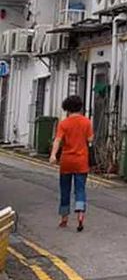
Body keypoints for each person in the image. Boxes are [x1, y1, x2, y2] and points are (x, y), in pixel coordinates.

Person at [49, 95, 93, 232]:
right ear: (80, 107)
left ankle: (64, 217)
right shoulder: (87, 122)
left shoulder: (64, 123)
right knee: (80, 189)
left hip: (66, 161)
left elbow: (57, 140)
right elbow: (90, 139)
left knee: (65, 189)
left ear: (67, 108)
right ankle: (80, 214)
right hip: (81, 161)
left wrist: (53, 155)